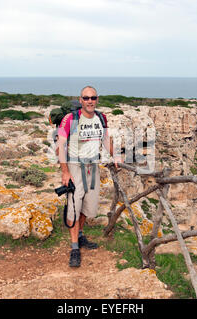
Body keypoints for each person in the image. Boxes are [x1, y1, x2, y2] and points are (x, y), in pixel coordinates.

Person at [57, 85, 122, 267]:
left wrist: (115, 154)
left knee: (88, 206)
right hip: (75, 166)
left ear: (97, 99)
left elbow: (106, 139)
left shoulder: (101, 117)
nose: (90, 101)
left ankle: (80, 234)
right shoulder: (71, 119)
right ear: (80, 100)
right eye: (86, 98)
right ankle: (75, 247)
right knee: (74, 207)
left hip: (93, 166)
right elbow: (60, 146)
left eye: (93, 97)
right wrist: (65, 172)